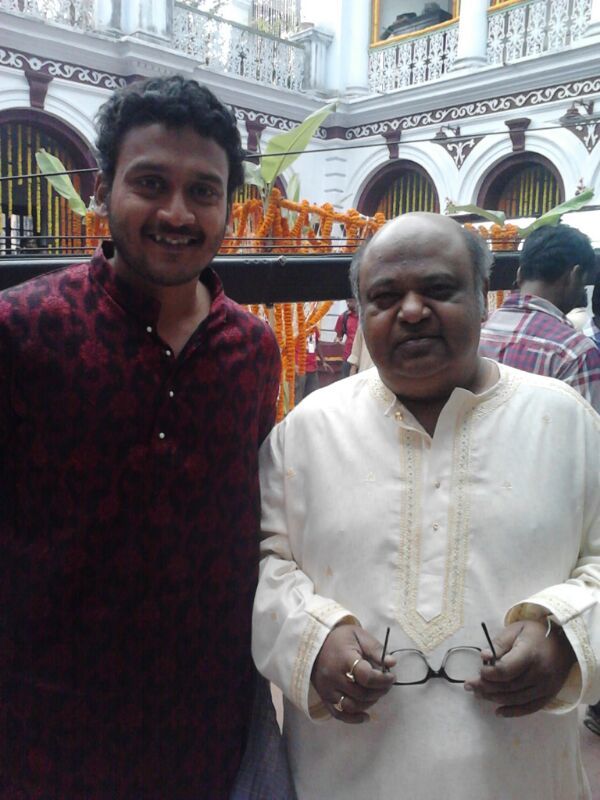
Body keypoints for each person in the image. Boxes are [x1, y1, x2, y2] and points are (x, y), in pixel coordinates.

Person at [0, 75, 289, 799]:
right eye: (151, 183)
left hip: (204, 721)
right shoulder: (24, 329)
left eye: (203, 191)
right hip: (45, 724)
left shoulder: (252, 349)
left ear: (229, 206)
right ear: (103, 190)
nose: (177, 213)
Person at [252, 212, 600, 800]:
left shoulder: (566, 422)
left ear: (483, 298)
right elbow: (263, 563)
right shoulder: (307, 431)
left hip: (522, 776)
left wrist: (568, 635)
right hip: (343, 775)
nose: (412, 311)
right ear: (362, 313)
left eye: (438, 289)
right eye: (385, 297)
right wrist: (311, 640)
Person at [479, 223, 600, 412]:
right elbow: (587, 428)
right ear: (574, 276)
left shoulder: (476, 332)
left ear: (519, 274)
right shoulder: (575, 353)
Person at [294, 325, 331, 403]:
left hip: (312, 367)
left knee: (313, 396)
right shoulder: (295, 327)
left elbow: (315, 344)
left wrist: (323, 361)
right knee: (298, 397)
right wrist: (294, 364)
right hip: (300, 368)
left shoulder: (313, 328)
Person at [334, 298, 359, 377]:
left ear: (357, 300)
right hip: (348, 357)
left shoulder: (365, 317)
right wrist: (338, 340)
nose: (347, 303)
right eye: (346, 301)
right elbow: (338, 337)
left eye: (350, 301)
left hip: (362, 357)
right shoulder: (343, 317)